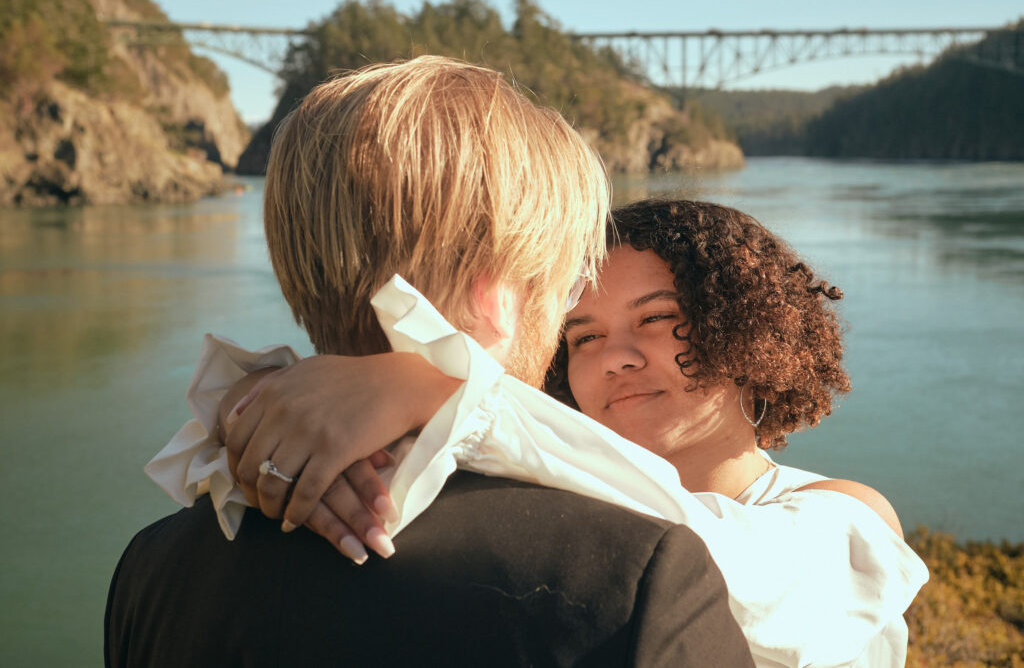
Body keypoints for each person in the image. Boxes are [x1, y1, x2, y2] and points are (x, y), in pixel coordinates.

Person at [106, 56, 754, 667]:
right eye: (564, 286)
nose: (564, 317)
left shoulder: (154, 566)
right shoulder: (641, 579)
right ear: (496, 294)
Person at [191, 200, 929, 666]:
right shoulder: (562, 499)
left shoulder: (846, 514)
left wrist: (439, 391)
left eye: (656, 318)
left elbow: (727, 575)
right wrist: (264, 410)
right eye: (580, 336)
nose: (616, 358)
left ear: (746, 327)